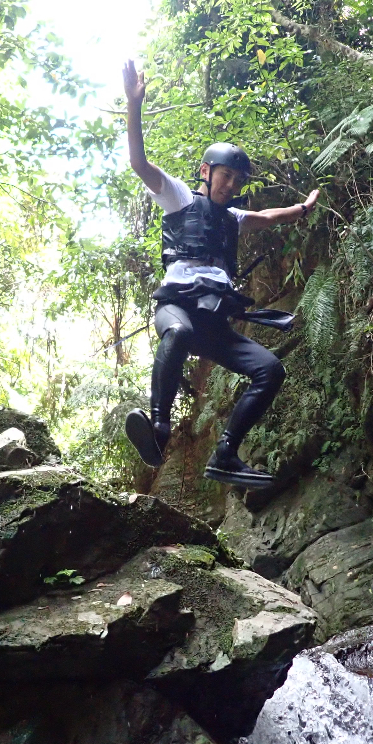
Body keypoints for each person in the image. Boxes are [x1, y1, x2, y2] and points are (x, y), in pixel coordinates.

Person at [121, 59, 319, 489]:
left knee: (270, 369)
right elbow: (139, 163)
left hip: (213, 322)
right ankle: (158, 430)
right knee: (177, 334)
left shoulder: (233, 218)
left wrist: (302, 209)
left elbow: (268, 217)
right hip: (177, 308)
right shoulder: (179, 198)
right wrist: (134, 105)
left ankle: (226, 454)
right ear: (206, 172)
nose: (231, 185)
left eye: (237, 180)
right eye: (226, 176)